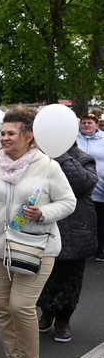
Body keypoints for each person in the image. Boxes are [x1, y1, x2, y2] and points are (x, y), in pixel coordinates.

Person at [0, 106, 76, 358]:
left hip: (36, 249)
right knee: (3, 308)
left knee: (20, 307)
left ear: (29, 136)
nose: (4, 138)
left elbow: (68, 202)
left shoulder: (48, 166)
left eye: (11, 133)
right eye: (2, 133)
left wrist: (43, 213)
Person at [37, 143, 98, 342]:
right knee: (45, 275)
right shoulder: (38, 156)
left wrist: (61, 156)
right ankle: (47, 311)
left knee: (71, 279)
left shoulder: (83, 158)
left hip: (75, 227)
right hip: (44, 223)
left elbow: (83, 185)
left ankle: (63, 320)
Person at [75, 112, 104, 261]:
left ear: (97, 125)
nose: (86, 125)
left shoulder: (103, 140)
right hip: (78, 188)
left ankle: (100, 250)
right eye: (84, 122)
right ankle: (82, 249)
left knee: (99, 219)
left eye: (90, 122)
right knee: (80, 220)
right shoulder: (73, 139)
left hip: (99, 187)